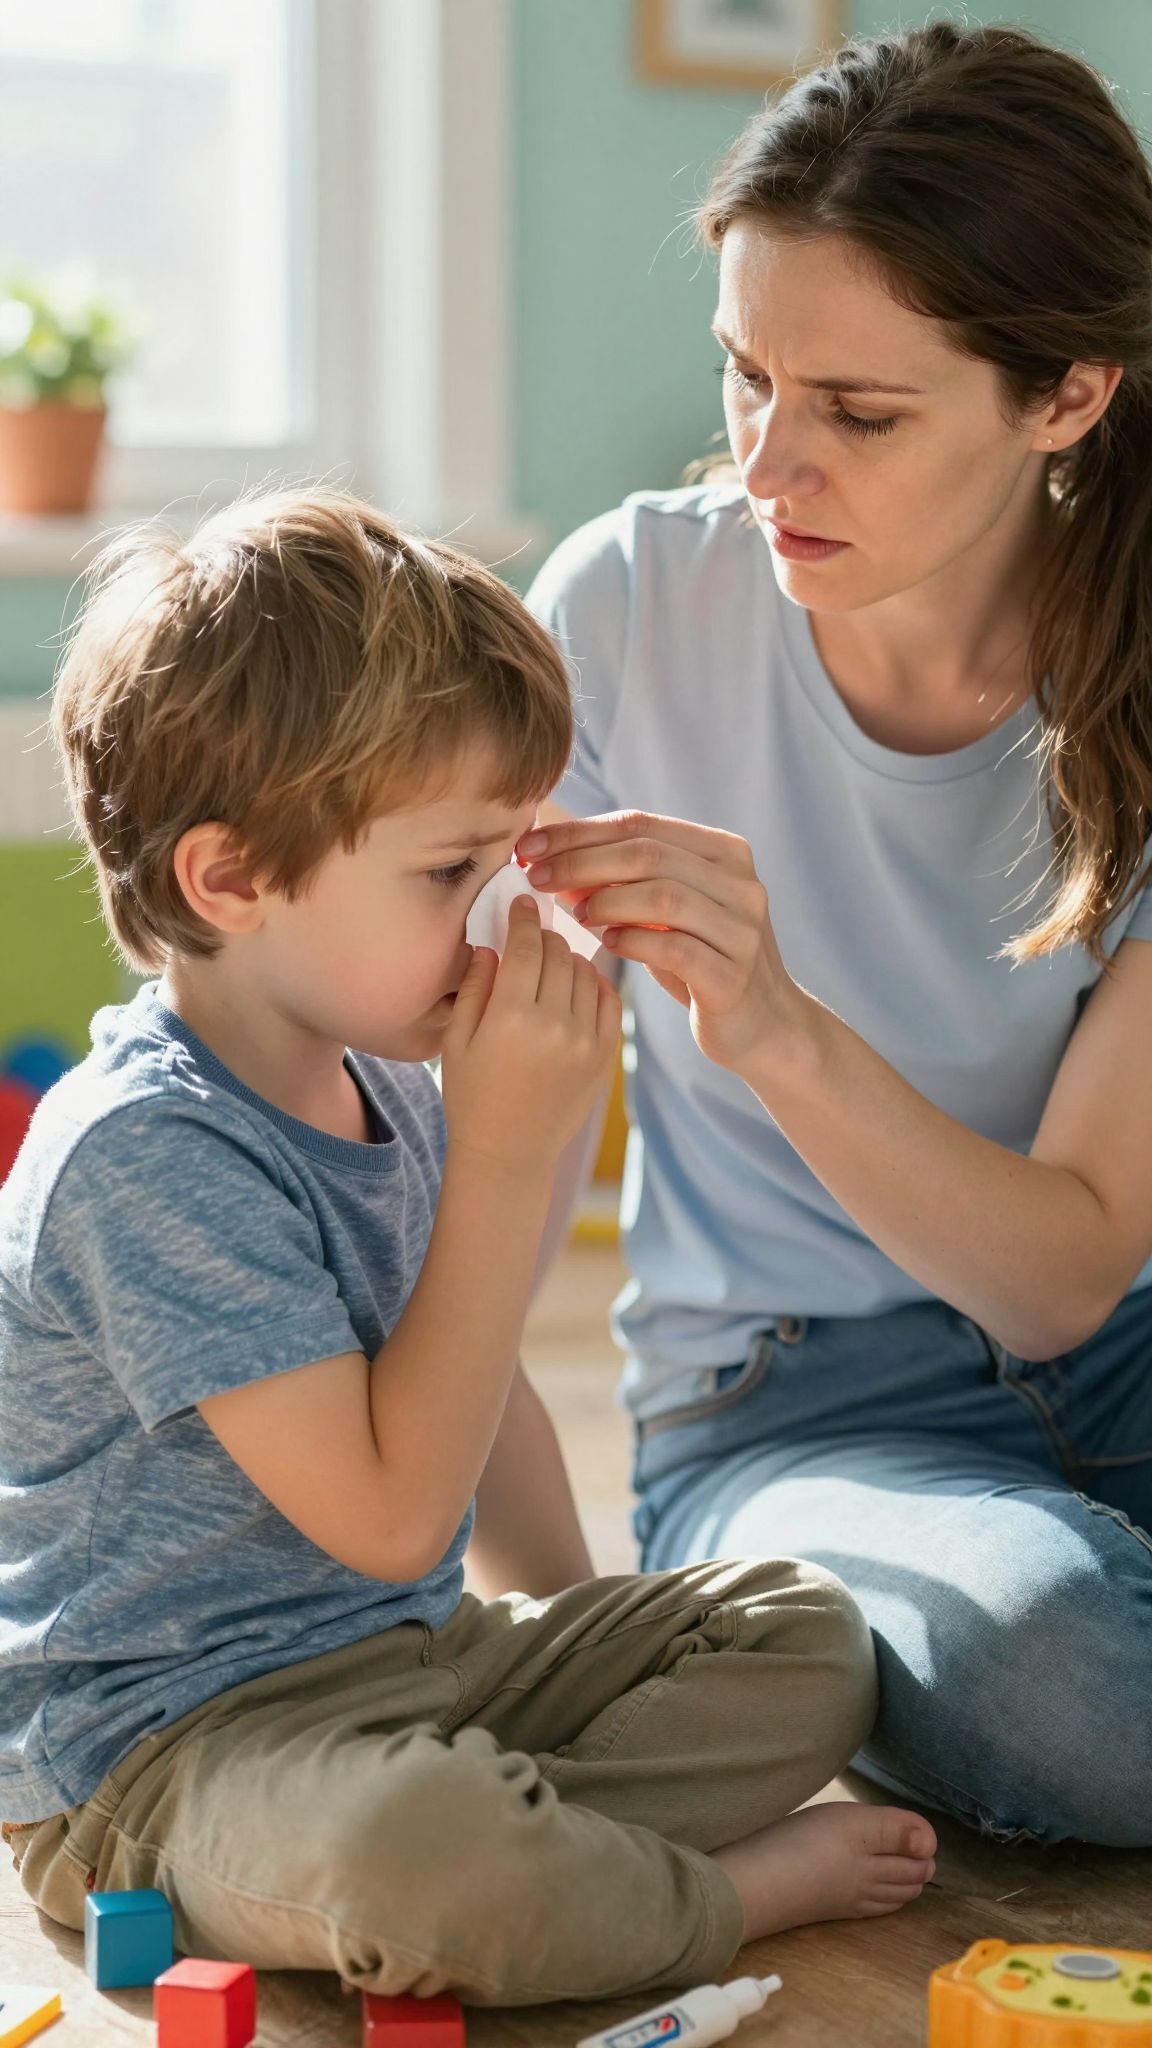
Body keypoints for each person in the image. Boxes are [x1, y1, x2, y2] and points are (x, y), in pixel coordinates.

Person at [0, 489, 937, 2008]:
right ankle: (703, 1898)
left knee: (805, 1634)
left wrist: (578, 1642)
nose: (500, 914)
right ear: (230, 881)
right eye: (450, 874)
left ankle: (552, 1866)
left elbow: (478, 1388)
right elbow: (387, 1516)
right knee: (423, 1847)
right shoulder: (145, 1157)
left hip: (415, 1664)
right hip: (170, 1751)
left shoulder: (387, 1081)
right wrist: (507, 1160)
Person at [519, 20, 1152, 1851]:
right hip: (792, 1403)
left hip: (1118, 1346)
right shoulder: (630, 612)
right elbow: (479, 1164)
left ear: (1068, 397)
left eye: (859, 415)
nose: (770, 464)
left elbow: (1066, 1274)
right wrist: (568, 1637)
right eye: (747, 378)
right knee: (1070, 1678)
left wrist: (782, 1023)